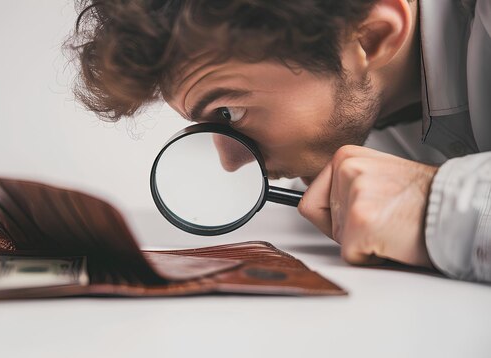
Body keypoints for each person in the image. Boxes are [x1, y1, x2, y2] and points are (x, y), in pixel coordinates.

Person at [65, 0, 491, 282]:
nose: (230, 163)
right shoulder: (352, 132)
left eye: (228, 113)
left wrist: (435, 205)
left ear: (370, 36)